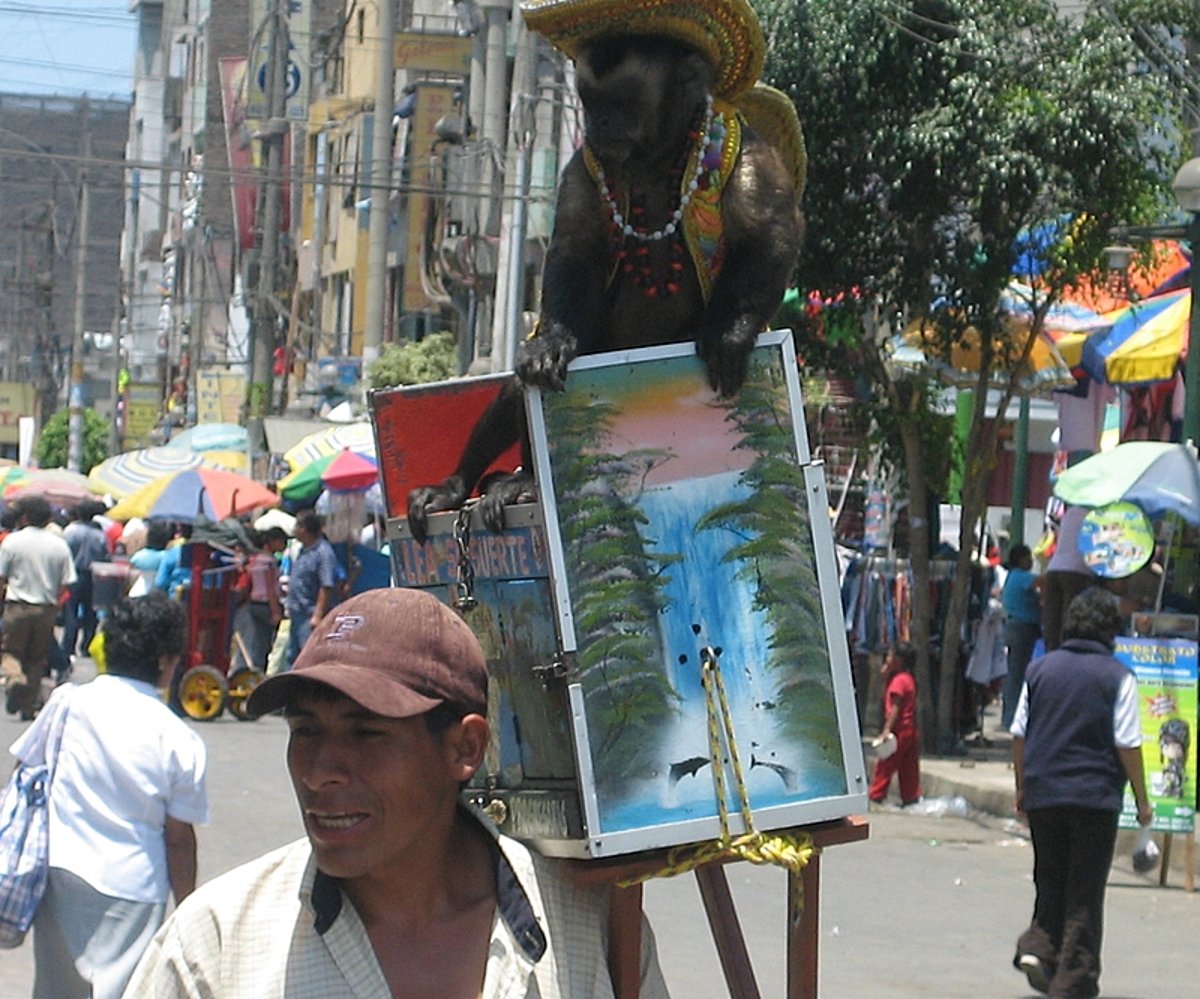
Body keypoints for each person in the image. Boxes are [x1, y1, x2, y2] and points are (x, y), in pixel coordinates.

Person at [124, 587, 670, 997]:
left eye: (367, 733)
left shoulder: (588, 926)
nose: (320, 772)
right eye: (305, 731)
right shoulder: (219, 942)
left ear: (465, 747)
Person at [9, 590, 208, 999]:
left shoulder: (70, 702)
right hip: (133, 887)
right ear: (165, 660)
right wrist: (187, 907)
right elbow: (178, 838)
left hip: (62, 870)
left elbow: (23, 769)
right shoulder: (179, 739)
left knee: (56, 990)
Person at [1009, 587, 1151, 998]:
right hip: (1094, 797)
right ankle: (1073, 981)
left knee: (1050, 878)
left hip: (1045, 793)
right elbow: (1127, 742)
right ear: (1112, 630)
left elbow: (1019, 734)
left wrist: (1023, 785)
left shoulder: (1040, 670)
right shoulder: (1118, 677)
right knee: (1084, 892)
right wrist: (1142, 799)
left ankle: (1039, 947)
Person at [0, 496, 76, 720]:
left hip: (17, 606)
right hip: (46, 608)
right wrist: (54, 599)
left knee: (10, 652)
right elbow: (66, 581)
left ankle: (15, 679)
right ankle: (27, 707)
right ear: (49, 518)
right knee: (36, 659)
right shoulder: (59, 545)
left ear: (24, 517)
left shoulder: (12, 542)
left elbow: (2, 577)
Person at [283, 508, 338, 670]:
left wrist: (317, 615)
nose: (294, 530)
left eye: (297, 526)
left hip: (309, 615)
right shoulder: (303, 550)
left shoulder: (323, 552)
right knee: (292, 657)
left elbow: (326, 585)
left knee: (307, 659)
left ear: (304, 529)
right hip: (297, 612)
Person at [868, 641, 921, 806]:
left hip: (899, 729)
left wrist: (886, 730)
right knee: (908, 766)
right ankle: (910, 796)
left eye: (891, 656)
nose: (887, 658)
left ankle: (876, 794)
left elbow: (896, 708)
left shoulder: (898, 681)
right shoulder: (908, 679)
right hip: (911, 729)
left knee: (886, 763)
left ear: (899, 660)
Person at [231, 526, 288, 673]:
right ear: (273, 541)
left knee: (254, 642)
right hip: (265, 606)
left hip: (253, 604)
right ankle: (258, 673)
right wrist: (276, 611)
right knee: (263, 645)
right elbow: (270, 588)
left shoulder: (254, 559)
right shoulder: (268, 561)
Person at [1040, 505, 1096, 651]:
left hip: (1054, 568)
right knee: (1072, 620)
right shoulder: (1095, 515)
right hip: (1078, 569)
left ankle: (1051, 657)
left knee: (1052, 622)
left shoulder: (1070, 513)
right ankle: (1069, 655)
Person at [60, 500, 110, 660]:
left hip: (72, 574)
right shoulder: (99, 535)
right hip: (92, 575)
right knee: (90, 613)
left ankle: (68, 646)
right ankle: (86, 646)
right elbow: (105, 556)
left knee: (71, 612)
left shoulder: (70, 531)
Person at [1001, 543, 1041, 729]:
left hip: (1017, 627)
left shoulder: (1012, 577)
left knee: (1014, 673)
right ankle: (1011, 718)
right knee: (1017, 674)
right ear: (1020, 560)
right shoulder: (1021, 577)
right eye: (1028, 558)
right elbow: (1043, 582)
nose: (1031, 562)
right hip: (1022, 628)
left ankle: (1010, 716)